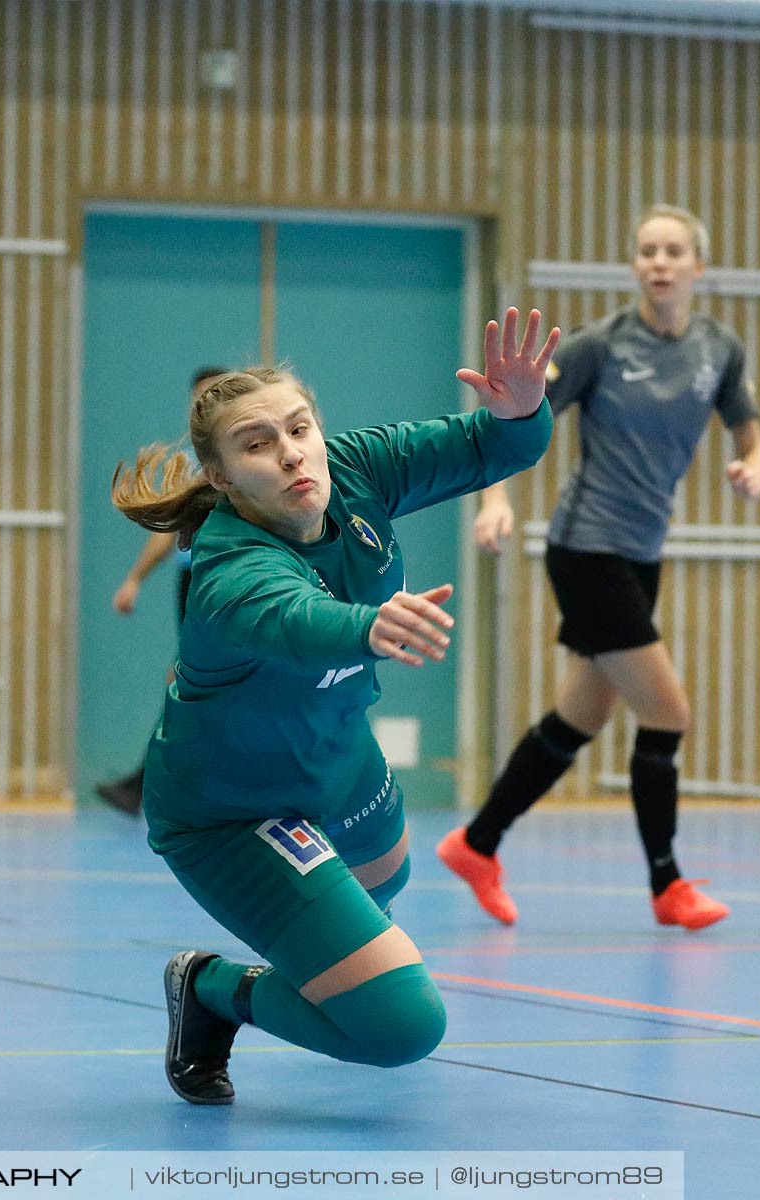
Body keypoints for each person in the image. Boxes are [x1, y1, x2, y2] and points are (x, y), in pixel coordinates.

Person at [112, 309, 559, 1104]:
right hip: (228, 811)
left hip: (340, 761)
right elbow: (297, 620)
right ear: (219, 476)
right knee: (402, 1026)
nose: (290, 454)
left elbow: (499, 447)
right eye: (258, 444)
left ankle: (311, 948)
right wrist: (371, 624)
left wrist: (520, 407)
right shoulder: (228, 570)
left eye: (299, 428)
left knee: (383, 883)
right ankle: (212, 988)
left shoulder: (353, 468)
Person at [437, 205, 760, 932]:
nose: (659, 262)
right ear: (634, 267)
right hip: (587, 547)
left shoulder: (720, 349)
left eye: (673, 250)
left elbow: (750, 431)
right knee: (668, 712)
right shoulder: (599, 348)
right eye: (647, 250)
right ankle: (668, 885)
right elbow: (516, 418)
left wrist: (755, 467)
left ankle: (476, 843)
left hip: (643, 552)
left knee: (582, 713)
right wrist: (495, 502)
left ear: (696, 266)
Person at [95, 365, 229, 816]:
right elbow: (170, 530)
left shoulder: (245, 454)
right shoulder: (196, 460)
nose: (202, 406)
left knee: (198, 680)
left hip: (227, 577)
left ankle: (150, 786)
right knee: (190, 679)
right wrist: (134, 578)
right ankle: (152, 786)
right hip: (193, 579)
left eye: (211, 395)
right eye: (197, 399)